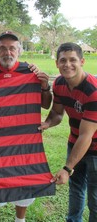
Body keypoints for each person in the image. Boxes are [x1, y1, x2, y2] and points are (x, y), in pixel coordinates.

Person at [0, 31, 52, 222]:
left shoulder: (30, 71)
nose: (7, 52)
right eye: (2, 48)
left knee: (23, 178)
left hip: (23, 138)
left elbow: (45, 104)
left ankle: (20, 219)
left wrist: (44, 86)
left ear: (19, 50)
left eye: (12, 48)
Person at [39, 42, 97, 222]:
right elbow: (57, 113)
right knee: (76, 189)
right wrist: (47, 123)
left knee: (94, 197)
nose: (67, 64)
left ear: (82, 61)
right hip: (74, 141)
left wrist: (66, 168)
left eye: (73, 60)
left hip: (94, 147)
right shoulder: (58, 83)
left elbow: (86, 135)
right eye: (63, 60)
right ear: (57, 63)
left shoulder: (93, 91)